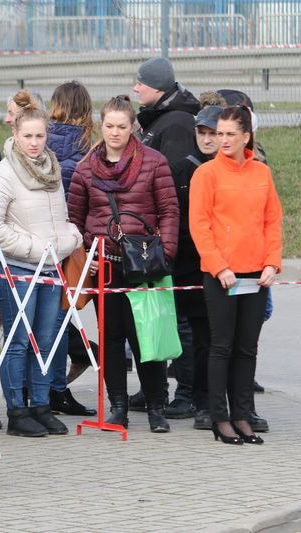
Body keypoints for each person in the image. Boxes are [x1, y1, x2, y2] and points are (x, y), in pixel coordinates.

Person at [67, 95, 179, 433]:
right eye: (109, 126)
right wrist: (87, 258)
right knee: (112, 337)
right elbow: (75, 219)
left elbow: (169, 211)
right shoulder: (86, 168)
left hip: (144, 264)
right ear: (101, 126)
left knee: (148, 335)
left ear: (133, 127)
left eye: (121, 126)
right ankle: (117, 405)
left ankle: (157, 406)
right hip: (107, 265)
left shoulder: (154, 162)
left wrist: (166, 254)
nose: (115, 132)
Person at [0, 97, 82, 437]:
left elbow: (62, 218)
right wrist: (34, 250)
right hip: (18, 269)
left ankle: (41, 405)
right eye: (28, 136)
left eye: (40, 136)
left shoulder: (52, 168)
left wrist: (70, 238)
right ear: (15, 132)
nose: (34, 143)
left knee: (47, 339)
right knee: (19, 341)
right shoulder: (4, 172)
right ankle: (17, 409)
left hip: (52, 268)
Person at [189, 105, 282, 446]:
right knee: (221, 346)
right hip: (222, 275)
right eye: (218, 133)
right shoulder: (207, 174)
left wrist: (272, 262)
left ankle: (242, 414)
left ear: (246, 136)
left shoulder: (261, 173)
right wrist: (219, 266)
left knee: (247, 348)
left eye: (229, 134)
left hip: (257, 274)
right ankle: (220, 417)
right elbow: (199, 225)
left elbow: (272, 220)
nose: (221, 140)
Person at [131, 56, 200, 419]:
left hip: (176, 238)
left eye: (140, 82)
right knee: (155, 314)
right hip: (157, 235)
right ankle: (153, 388)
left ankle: (186, 393)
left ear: (157, 87)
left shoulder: (174, 124)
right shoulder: (161, 118)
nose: (135, 88)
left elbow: (170, 185)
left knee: (180, 317)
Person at [45, 81, 97, 417]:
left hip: (37, 242)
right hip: (69, 242)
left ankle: (37, 388)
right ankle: (55, 390)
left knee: (41, 319)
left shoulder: (41, 139)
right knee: (60, 317)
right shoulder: (86, 150)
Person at [169, 105, 223, 430]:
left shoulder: (231, 172)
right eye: (201, 133)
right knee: (193, 337)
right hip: (189, 268)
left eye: (212, 133)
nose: (206, 139)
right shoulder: (181, 170)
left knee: (218, 340)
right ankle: (192, 396)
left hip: (222, 267)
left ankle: (215, 400)